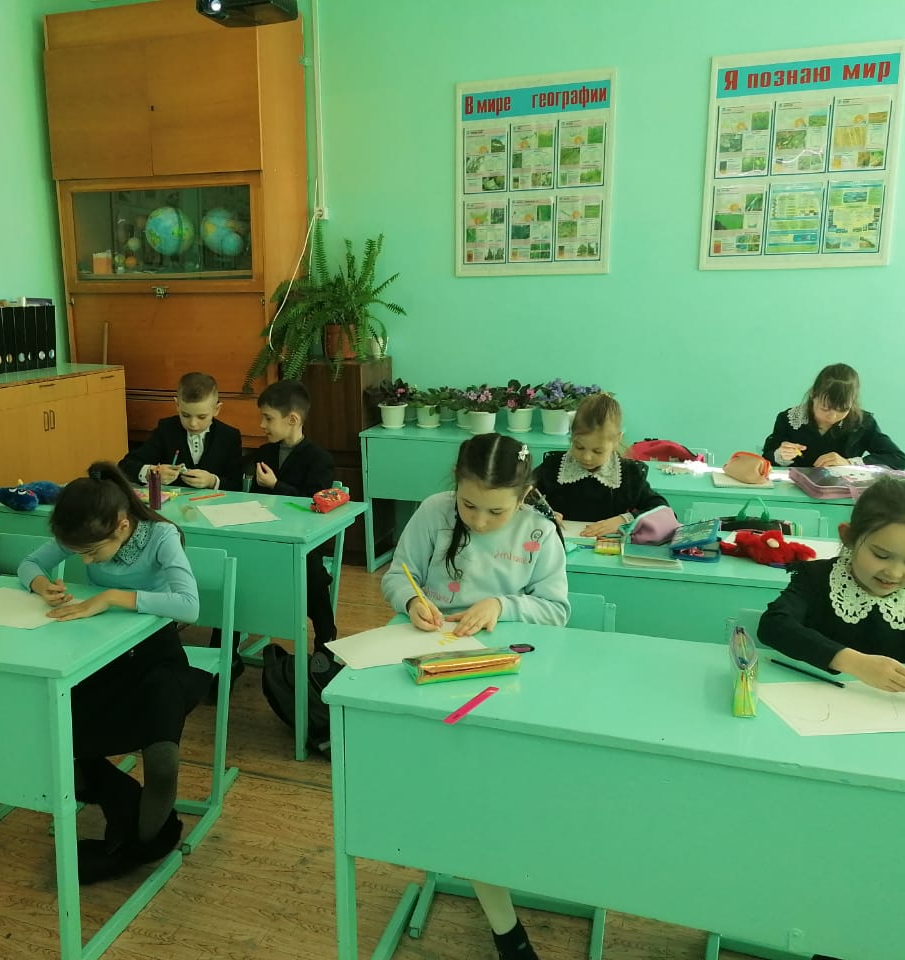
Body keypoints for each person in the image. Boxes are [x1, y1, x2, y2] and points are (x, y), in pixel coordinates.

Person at [382, 432, 568, 960]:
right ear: (455, 487)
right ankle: (485, 884)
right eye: (468, 505)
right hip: (431, 664)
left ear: (524, 495)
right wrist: (410, 602)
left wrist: (502, 605)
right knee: (452, 785)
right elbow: (398, 576)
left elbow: (556, 609)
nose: (480, 521)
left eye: (496, 511)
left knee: (488, 788)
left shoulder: (538, 532)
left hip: (506, 674)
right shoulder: (432, 512)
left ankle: (499, 872)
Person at [17, 461, 209, 883]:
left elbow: (189, 606)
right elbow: (29, 563)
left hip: (155, 656)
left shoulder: (160, 537)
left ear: (122, 527)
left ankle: (141, 840)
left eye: (90, 553)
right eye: (79, 552)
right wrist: (41, 585)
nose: (84, 559)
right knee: (56, 733)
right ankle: (125, 810)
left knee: (162, 760)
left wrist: (112, 597)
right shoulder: (88, 530)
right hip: (98, 653)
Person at [759, 476, 905, 717]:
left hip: (901, 718)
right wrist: (854, 662)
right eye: (881, 555)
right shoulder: (816, 578)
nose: (894, 572)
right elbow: (774, 625)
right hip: (815, 709)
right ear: (848, 537)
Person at [248, 380, 343, 722]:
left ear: (292, 419)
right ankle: (224, 646)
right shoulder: (263, 453)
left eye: (268, 418)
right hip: (265, 537)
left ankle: (325, 639)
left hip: (304, 541)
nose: (262, 425)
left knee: (312, 575)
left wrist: (277, 486)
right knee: (239, 567)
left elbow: (315, 501)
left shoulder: (319, 458)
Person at [533, 392, 667, 538]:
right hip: (559, 544)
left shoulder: (629, 474)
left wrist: (624, 520)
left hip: (608, 547)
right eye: (579, 447)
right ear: (572, 436)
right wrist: (542, 512)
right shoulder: (554, 467)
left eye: (597, 451)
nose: (586, 457)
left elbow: (661, 509)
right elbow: (522, 495)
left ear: (616, 440)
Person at [763, 362, 905, 469]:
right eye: (825, 408)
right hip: (794, 492)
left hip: (843, 494)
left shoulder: (862, 422)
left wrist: (849, 464)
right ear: (813, 394)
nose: (832, 417)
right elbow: (765, 459)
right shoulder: (789, 419)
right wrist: (780, 455)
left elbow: (898, 459)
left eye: (843, 410)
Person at [118, 371, 244, 492]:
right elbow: (126, 465)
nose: (193, 424)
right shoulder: (166, 430)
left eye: (201, 417)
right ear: (177, 405)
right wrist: (152, 472)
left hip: (215, 504)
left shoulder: (229, 437)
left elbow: (237, 484)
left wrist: (212, 481)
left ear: (217, 409)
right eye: (185, 415)